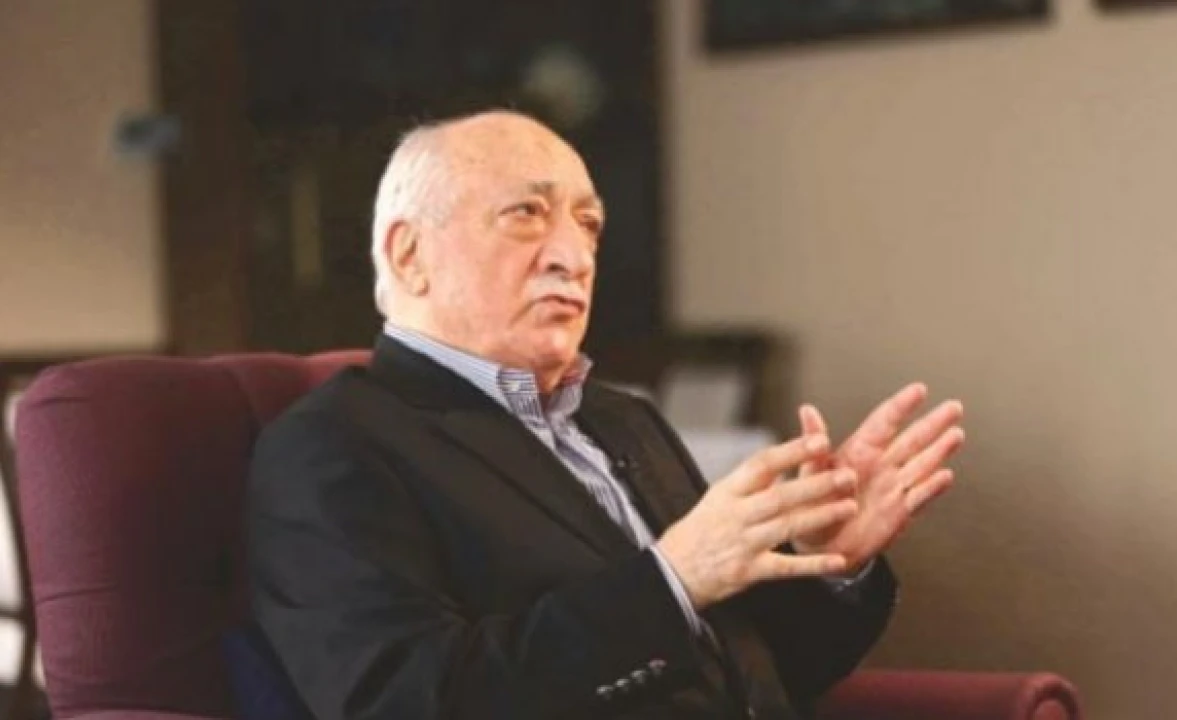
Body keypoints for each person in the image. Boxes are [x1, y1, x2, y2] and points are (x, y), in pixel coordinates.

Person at [247, 110, 965, 720]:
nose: (575, 256)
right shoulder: (333, 447)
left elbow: (763, 679)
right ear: (409, 255)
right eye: (526, 214)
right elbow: (405, 702)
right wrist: (671, 582)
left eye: (587, 223)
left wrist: (826, 561)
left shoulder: (625, 421)